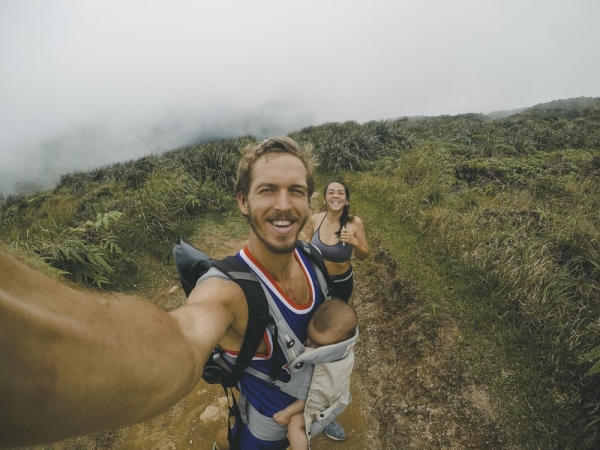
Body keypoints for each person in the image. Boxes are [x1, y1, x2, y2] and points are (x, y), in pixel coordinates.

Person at [0, 137, 328, 450]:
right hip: (265, 432)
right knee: (236, 438)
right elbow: (183, 339)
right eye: (268, 190)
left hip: (313, 405)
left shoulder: (311, 255)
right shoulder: (227, 291)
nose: (284, 205)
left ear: (309, 200)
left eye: (296, 191)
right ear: (243, 200)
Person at [273, 298, 357, 450]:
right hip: (335, 392)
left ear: (336, 346)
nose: (308, 345)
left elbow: (311, 397)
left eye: (318, 346)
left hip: (325, 399)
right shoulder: (343, 350)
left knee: (295, 425)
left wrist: (288, 411)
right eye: (309, 337)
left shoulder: (326, 371)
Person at [304, 181, 369, 303]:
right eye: (331, 192)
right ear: (324, 199)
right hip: (316, 279)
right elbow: (307, 244)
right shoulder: (315, 220)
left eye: (340, 193)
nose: (335, 196)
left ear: (347, 200)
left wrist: (355, 242)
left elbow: (363, 256)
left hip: (341, 283)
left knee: (335, 318)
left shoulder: (354, 223)